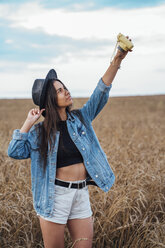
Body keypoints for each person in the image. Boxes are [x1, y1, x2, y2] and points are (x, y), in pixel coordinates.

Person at [8, 38, 132, 248]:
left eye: (64, 87)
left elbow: (100, 92)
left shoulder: (81, 119)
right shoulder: (40, 132)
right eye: (59, 90)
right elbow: (15, 151)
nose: (66, 91)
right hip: (54, 196)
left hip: (80, 193)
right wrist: (28, 123)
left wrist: (118, 59)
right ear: (50, 99)